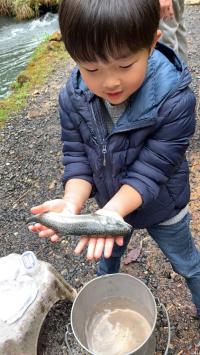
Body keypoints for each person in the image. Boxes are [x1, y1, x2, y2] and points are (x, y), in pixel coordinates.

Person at [28, 0, 200, 318]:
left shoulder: (175, 99)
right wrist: (71, 202)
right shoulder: (72, 96)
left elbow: (152, 169)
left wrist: (110, 214)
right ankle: (104, 307)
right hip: (110, 205)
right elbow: (77, 155)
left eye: (124, 65)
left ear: (152, 42)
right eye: (91, 68)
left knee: (188, 263)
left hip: (165, 207)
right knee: (106, 261)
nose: (110, 82)